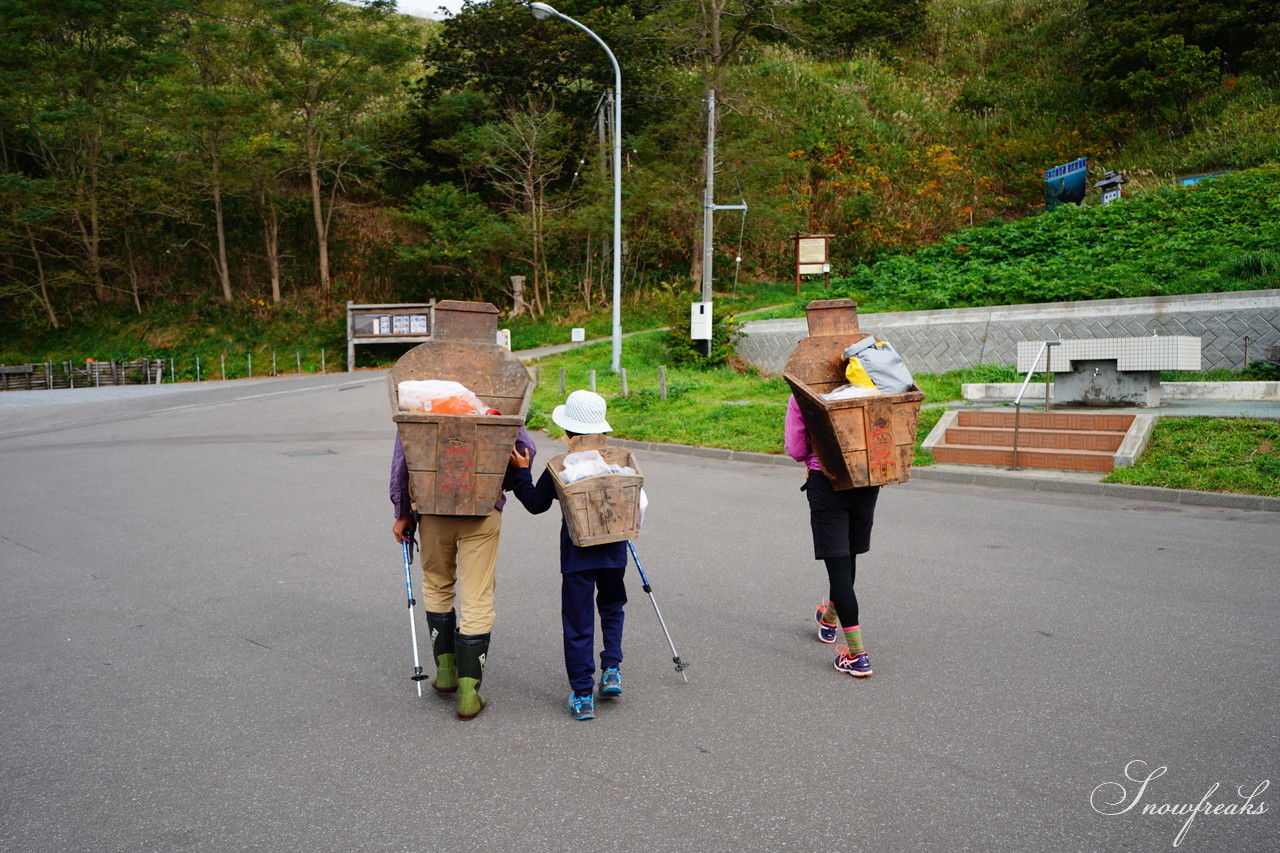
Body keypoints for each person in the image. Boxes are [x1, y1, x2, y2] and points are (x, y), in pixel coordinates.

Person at [390, 423, 536, 720]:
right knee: (477, 596)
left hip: (433, 509)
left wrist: (403, 512)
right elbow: (525, 450)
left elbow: (403, 462)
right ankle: (469, 695)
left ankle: (446, 674)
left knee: (437, 584)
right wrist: (498, 480)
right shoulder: (495, 403)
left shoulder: (421, 407)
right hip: (482, 510)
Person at [507, 390, 629, 721]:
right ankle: (612, 670)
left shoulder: (560, 466)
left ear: (569, 432)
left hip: (578, 556)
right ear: (602, 430)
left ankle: (581, 695)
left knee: (578, 622)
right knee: (612, 607)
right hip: (615, 551)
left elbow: (536, 504)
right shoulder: (619, 460)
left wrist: (521, 472)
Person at [784, 394, 878, 677]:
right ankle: (828, 620)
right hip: (866, 478)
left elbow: (796, 449)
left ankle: (857, 655)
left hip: (826, 481)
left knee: (838, 567)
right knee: (848, 559)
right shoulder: (867, 384)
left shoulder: (802, 394)